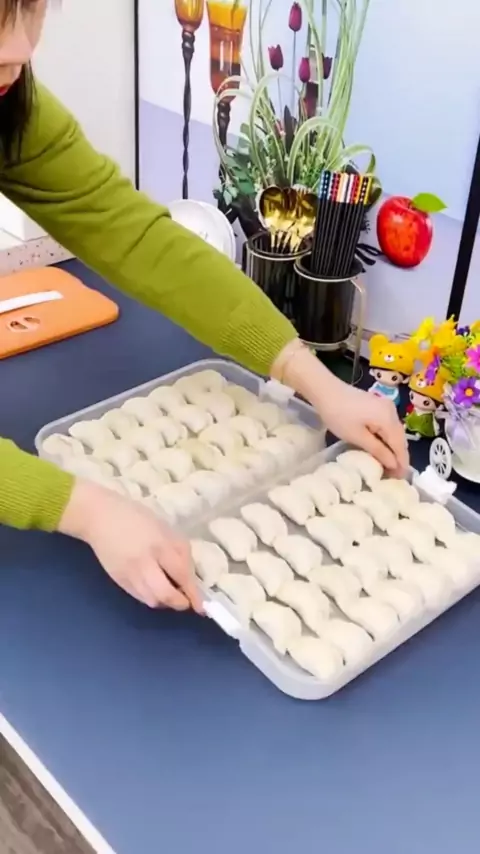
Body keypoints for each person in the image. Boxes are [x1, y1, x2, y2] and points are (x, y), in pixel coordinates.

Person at [0, 0, 408, 613]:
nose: (22, 49)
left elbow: (138, 238)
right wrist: (84, 509)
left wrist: (314, 381)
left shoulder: (11, 99)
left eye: (31, 10)